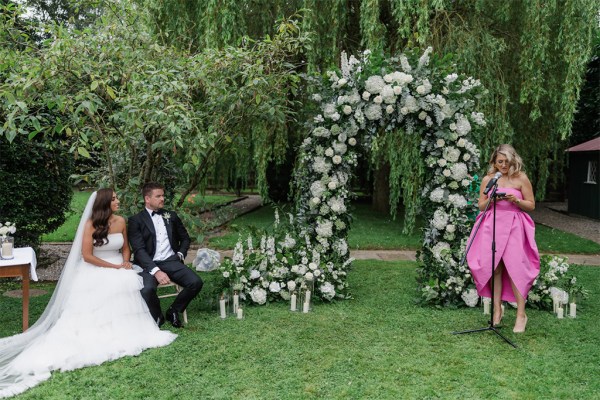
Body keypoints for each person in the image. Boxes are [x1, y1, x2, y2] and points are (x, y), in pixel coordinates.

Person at [0, 189, 176, 398]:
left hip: (119, 265)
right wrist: (113, 268)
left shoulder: (120, 221)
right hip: (97, 267)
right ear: (104, 203)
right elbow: (87, 256)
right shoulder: (90, 225)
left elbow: (126, 248)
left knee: (126, 284)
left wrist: (126, 261)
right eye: (113, 199)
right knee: (104, 291)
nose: (118, 201)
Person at [467, 144, 540, 333]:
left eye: (506, 161)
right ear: (494, 162)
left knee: (516, 268)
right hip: (492, 226)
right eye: (500, 161)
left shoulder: (521, 178)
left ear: (513, 160)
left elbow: (531, 205)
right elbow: (481, 205)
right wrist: (494, 200)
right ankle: (497, 309)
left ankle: (521, 315)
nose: (503, 165)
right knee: (495, 269)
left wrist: (516, 201)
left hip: (515, 226)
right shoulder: (489, 179)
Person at [128, 182, 203, 328]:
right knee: (147, 289)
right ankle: (158, 317)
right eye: (158, 196)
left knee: (195, 282)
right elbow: (139, 250)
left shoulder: (171, 216)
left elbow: (185, 238)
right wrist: (156, 271)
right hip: (148, 264)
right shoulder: (136, 220)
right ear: (147, 199)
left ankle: (174, 310)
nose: (162, 198)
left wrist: (180, 254)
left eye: (163, 195)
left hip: (171, 261)